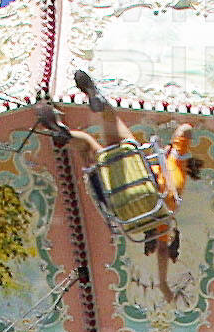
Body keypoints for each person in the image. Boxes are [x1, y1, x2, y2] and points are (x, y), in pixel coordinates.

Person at [60, 69, 199, 293]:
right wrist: (163, 283)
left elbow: (186, 130)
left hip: (145, 181)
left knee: (111, 121)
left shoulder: (174, 167)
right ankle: (64, 135)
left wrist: (174, 149)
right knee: (88, 146)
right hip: (121, 198)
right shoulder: (161, 221)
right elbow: (163, 251)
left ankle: (75, 120)